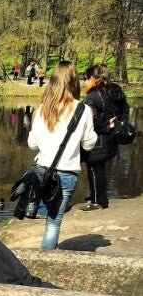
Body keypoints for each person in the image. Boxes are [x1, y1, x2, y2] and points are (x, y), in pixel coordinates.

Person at [27, 60, 97, 249]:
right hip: (67, 173)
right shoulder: (83, 110)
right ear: (74, 82)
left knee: (47, 218)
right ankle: (46, 255)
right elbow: (89, 144)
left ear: (53, 81)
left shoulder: (42, 108)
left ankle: (45, 254)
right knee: (53, 221)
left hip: (42, 172)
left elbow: (32, 143)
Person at [80, 64, 129, 211]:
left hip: (97, 137)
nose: (85, 81)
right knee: (100, 167)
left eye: (87, 78)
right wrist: (119, 123)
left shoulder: (92, 96)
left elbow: (90, 120)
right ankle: (97, 194)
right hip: (111, 138)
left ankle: (97, 201)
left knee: (94, 167)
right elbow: (125, 109)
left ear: (94, 79)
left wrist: (108, 124)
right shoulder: (116, 90)